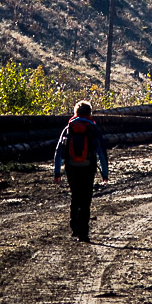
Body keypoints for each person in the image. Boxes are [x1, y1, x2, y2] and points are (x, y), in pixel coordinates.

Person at [54, 100, 108, 242]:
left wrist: (57, 173)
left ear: (75, 113)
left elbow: (59, 152)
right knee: (86, 199)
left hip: (71, 168)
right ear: (90, 113)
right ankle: (83, 233)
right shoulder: (93, 128)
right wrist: (105, 173)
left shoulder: (68, 128)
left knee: (75, 196)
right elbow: (101, 153)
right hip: (88, 168)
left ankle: (74, 228)